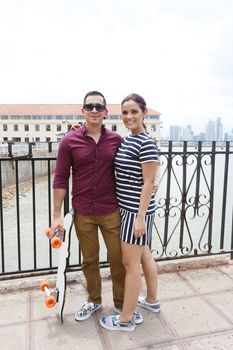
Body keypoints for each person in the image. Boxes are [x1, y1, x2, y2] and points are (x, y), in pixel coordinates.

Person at [49, 91, 142, 324]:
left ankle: (122, 303)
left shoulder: (116, 140)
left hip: (111, 210)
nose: (94, 110)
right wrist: (57, 215)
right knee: (89, 259)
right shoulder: (69, 142)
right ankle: (94, 299)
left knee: (118, 258)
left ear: (105, 112)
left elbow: (133, 166)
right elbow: (60, 178)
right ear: (83, 111)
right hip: (83, 213)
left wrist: (150, 180)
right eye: (89, 106)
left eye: (98, 107)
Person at [100, 93, 160, 332]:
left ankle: (125, 319)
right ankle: (153, 301)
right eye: (125, 112)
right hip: (129, 209)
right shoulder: (130, 139)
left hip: (135, 212)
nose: (129, 116)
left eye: (134, 111)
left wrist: (139, 217)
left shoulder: (145, 142)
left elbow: (148, 182)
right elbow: (146, 178)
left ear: (144, 113)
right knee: (144, 255)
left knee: (130, 264)